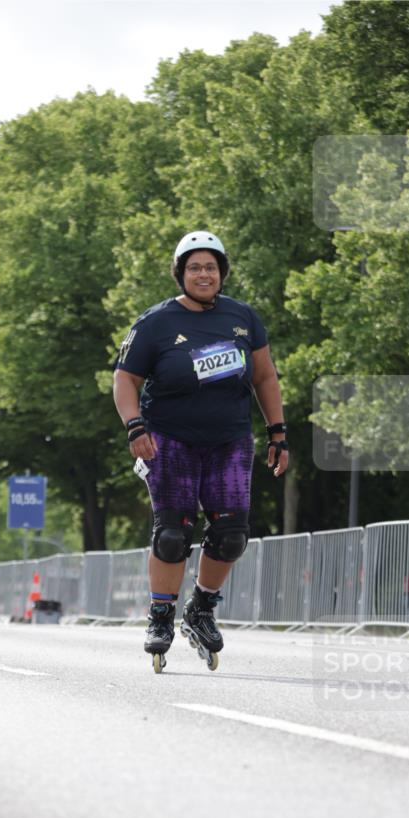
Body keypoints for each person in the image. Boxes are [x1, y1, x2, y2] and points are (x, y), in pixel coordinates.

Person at [113, 230, 288, 670]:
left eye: (211, 267)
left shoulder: (243, 318)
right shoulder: (155, 323)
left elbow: (265, 377)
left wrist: (278, 433)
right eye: (195, 267)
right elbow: (125, 379)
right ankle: (160, 615)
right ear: (181, 273)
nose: (203, 274)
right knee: (173, 534)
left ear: (222, 273)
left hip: (229, 439)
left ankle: (201, 609)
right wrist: (135, 426)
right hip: (168, 440)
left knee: (232, 536)